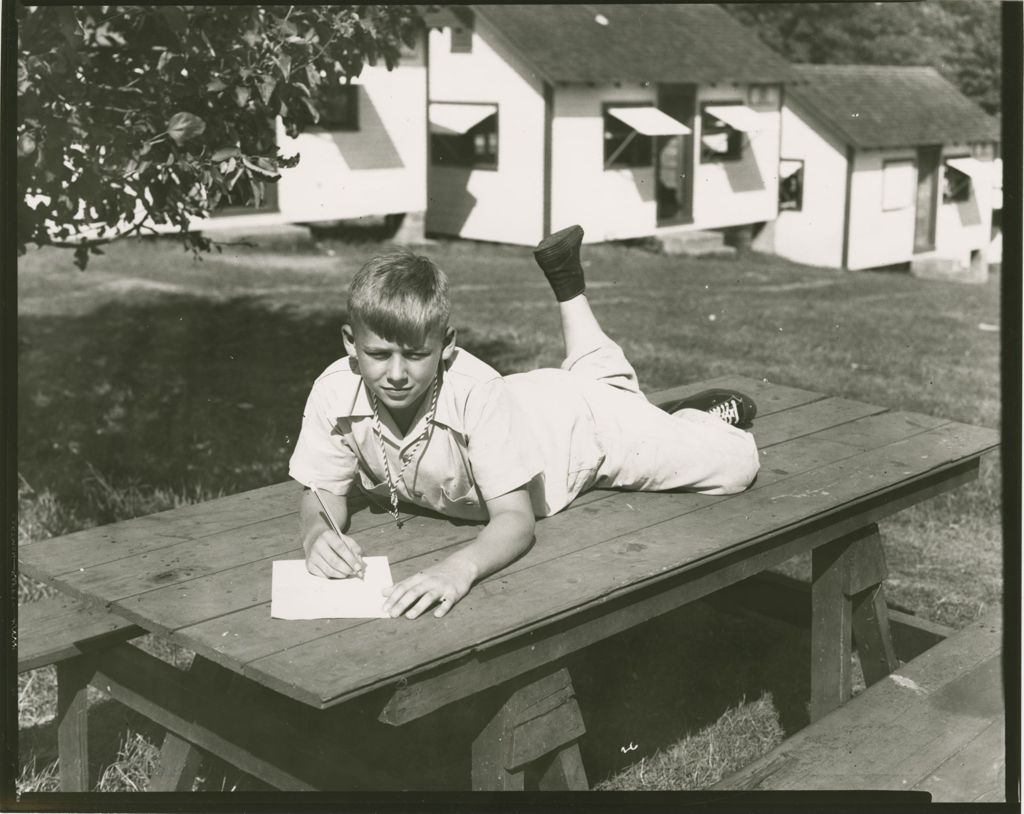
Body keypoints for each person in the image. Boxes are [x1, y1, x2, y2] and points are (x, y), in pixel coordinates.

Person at [288, 225, 760, 620]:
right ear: (351, 343)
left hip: (581, 438)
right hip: (532, 401)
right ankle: (569, 287)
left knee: (735, 467)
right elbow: (321, 490)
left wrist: (458, 569)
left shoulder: (478, 391)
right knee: (597, 379)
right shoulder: (334, 389)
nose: (394, 373)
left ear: (448, 345)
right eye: (377, 354)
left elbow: (515, 519)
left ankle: (697, 416)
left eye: (415, 355)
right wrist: (317, 533)